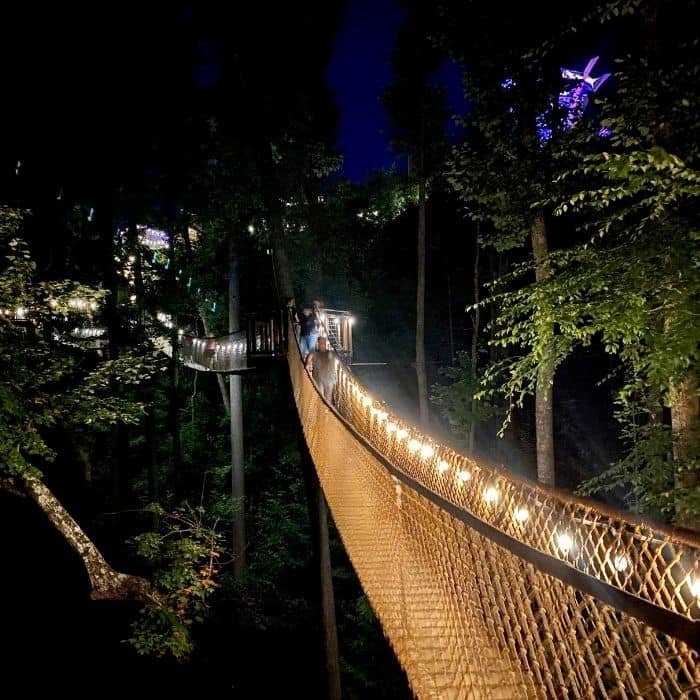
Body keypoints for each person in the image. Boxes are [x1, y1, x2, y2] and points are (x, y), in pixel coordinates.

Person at [305, 336, 337, 404]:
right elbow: (307, 364)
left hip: (329, 380)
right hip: (319, 380)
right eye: (321, 342)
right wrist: (308, 365)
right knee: (320, 400)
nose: (322, 344)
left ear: (326, 344)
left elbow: (339, 360)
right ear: (318, 343)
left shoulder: (331, 353)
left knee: (328, 401)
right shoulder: (313, 353)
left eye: (324, 342)